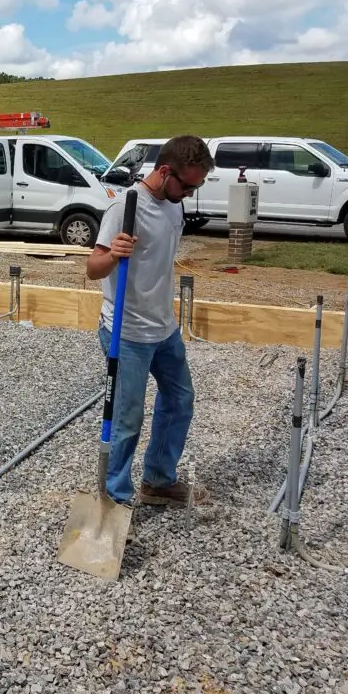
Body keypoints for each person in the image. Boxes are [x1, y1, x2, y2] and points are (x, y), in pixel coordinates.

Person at [86, 135, 215, 509]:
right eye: (187, 185)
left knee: (180, 400)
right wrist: (114, 255)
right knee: (126, 420)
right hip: (126, 332)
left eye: (197, 186)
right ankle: (114, 499)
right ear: (163, 171)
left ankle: (158, 481)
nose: (189, 194)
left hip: (164, 328)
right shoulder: (125, 210)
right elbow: (92, 269)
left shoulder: (174, 207)